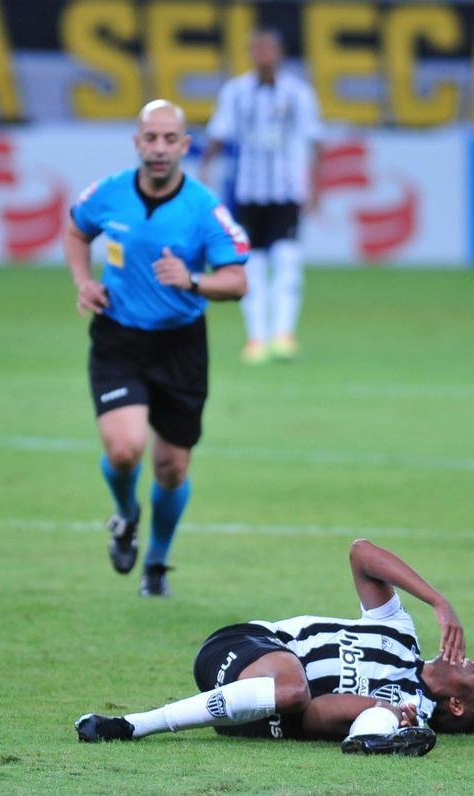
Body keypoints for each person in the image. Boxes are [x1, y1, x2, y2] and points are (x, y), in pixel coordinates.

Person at [63, 100, 249, 597]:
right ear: (137, 142)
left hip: (180, 347)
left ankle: (157, 563)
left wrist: (191, 280)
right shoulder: (109, 193)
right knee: (124, 450)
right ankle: (125, 517)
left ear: (185, 146)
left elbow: (237, 281)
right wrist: (83, 280)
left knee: (171, 467)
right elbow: (77, 229)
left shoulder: (204, 209)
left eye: (171, 139)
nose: (160, 149)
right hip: (119, 336)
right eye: (152, 138)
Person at [74, 539, 474, 753]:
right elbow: (362, 553)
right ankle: (132, 725)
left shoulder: (410, 715)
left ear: (456, 706)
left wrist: (389, 717)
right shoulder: (399, 632)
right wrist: (438, 601)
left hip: (261, 719)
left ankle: (370, 742)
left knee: (358, 708)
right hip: (242, 647)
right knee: (294, 688)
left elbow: (313, 715)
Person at [200, 28, 323, 365]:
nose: (264, 55)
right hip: (247, 193)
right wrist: (205, 169)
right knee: (251, 268)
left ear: (280, 53)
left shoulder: (298, 93)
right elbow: (218, 134)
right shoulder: (236, 92)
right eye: (258, 49)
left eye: (269, 49)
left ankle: (284, 335)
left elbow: (316, 142)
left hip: (286, 193)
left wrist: (316, 188)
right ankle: (256, 338)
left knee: (287, 265)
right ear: (251, 53)